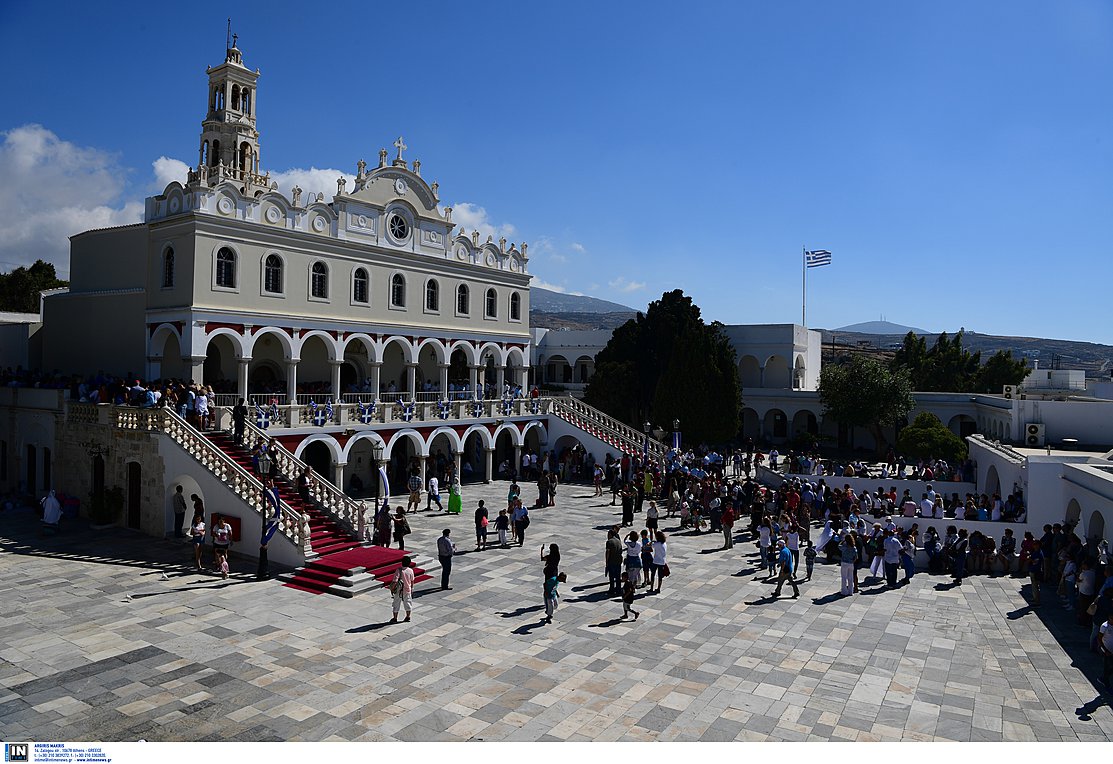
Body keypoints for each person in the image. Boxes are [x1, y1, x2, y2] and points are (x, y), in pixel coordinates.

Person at [257, 478, 281, 580]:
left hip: (273, 523)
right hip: (273, 521)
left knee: (276, 505)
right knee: (277, 505)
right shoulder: (264, 539)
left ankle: (271, 489)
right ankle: (271, 489)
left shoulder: (264, 539)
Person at [389, 556, 415, 623]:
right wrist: (412, 588)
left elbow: (395, 581)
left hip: (399, 590)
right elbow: (412, 581)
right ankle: (408, 616)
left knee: (396, 603)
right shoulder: (410, 570)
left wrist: (392, 588)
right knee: (408, 603)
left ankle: (395, 618)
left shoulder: (399, 570)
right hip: (407, 589)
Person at [211, 513, 232, 578]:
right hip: (217, 543)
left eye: (222, 520)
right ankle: (222, 568)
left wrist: (231, 540)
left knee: (223, 557)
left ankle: (223, 569)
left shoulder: (227, 526)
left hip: (225, 544)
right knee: (218, 557)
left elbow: (230, 533)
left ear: (224, 520)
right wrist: (217, 535)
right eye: (219, 520)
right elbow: (213, 533)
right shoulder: (216, 526)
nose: (220, 521)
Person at [606, 528, 624, 594]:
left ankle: (612, 589)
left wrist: (607, 562)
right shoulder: (618, 541)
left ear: (610, 534)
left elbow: (608, 552)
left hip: (612, 561)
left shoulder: (609, 542)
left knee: (611, 576)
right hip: (618, 560)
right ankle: (618, 589)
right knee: (618, 576)